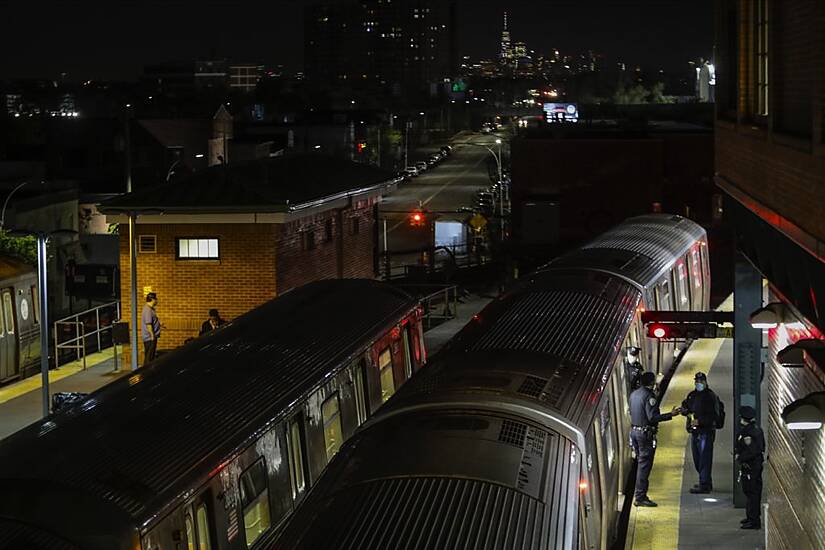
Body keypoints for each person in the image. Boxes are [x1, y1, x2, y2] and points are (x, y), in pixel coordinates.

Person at [629, 371, 681, 507]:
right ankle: (640, 497)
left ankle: (639, 494)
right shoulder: (649, 396)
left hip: (634, 432)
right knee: (644, 466)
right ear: (652, 383)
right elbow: (652, 417)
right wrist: (671, 414)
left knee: (641, 463)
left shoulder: (634, 394)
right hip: (645, 435)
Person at [681, 371, 724, 493]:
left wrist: (700, 421)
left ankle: (704, 485)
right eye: (697, 381)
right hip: (695, 433)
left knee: (705, 458)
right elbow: (686, 407)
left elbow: (714, 416)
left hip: (706, 432)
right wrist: (684, 410)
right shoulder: (692, 395)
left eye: (701, 381)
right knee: (697, 458)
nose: (698, 383)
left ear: (705, 382)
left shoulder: (711, 397)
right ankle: (704, 481)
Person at [735, 406, 764, 530]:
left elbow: (752, 451)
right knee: (749, 492)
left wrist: (740, 457)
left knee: (753, 493)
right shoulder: (752, 429)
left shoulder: (750, 433)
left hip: (752, 467)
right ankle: (750, 517)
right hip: (751, 467)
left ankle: (754, 521)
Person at [141, 292, 161, 366]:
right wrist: (152, 335)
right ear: (152, 299)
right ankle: (146, 372)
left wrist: (159, 324)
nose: (157, 301)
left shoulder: (150, 309)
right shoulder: (148, 310)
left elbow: (152, 321)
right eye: (156, 299)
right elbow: (148, 324)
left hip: (151, 337)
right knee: (149, 357)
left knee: (150, 356)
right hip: (150, 338)